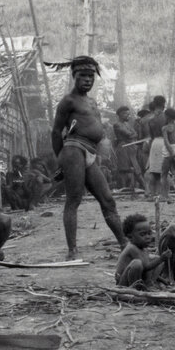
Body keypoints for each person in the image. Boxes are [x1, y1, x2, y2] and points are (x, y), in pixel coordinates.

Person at [49, 55, 126, 260]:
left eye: (91, 76)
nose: (87, 80)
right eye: (83, 75)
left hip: (90, 152)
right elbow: (56, 132)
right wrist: (61, 160)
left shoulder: (91, 101)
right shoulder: (68, 101)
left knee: (108, 200)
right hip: (74, 149)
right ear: (74, 76)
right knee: (74, 199)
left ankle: (124, 243)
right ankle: (72, 250)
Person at [114, 213, 173, 289]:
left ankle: (149, 284)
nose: (148, 237)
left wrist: (163, 280)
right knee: (137, 263)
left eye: (149, 233)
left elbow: (146, 268)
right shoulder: (132, 248)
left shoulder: (144, 248)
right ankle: (135, 289)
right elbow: (146, 267)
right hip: (123, 284)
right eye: (143, 234)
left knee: (156, 259)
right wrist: (162, 258)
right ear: (130, 237)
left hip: (139, 278)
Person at [112, 106, 146, 192]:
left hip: (130, 148)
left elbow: (135, 134)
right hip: (123, 148)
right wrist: (132, 134)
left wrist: (132, 134)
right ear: (121, 114)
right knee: (124, 170)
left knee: (136, 168)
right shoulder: (117, 124)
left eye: (129, 114)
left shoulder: (127, 124)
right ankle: (123, 190)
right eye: (127, 114)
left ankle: (145, 188)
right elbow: (129, 134)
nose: (128, 116)